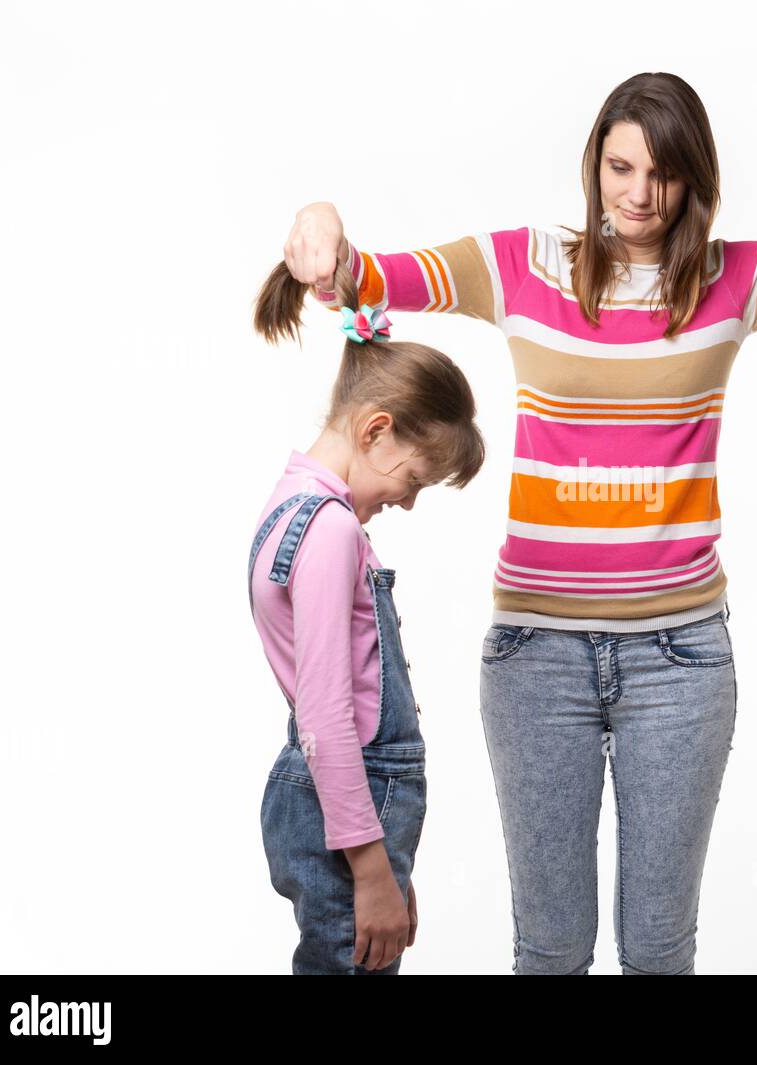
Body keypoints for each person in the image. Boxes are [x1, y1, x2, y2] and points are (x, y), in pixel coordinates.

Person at [279, 71, 757, 974]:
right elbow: (363, 280)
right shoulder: (521, 263)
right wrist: (318, 218)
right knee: (550, 951)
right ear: (595, 165)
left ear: (695, 179)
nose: (638, 194)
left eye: (662, 174)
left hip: (681, 663)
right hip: (536, 658)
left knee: (660, 949)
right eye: (620, 167)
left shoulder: (738, 275)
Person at [247, 255, 485, 973]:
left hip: (346, 816)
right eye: (413, 479)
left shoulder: (291, 503)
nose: (407, 501)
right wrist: (373, 870)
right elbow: (325, 716)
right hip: (346, 817)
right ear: (377, 429)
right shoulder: (329, 530)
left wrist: (388, 863)